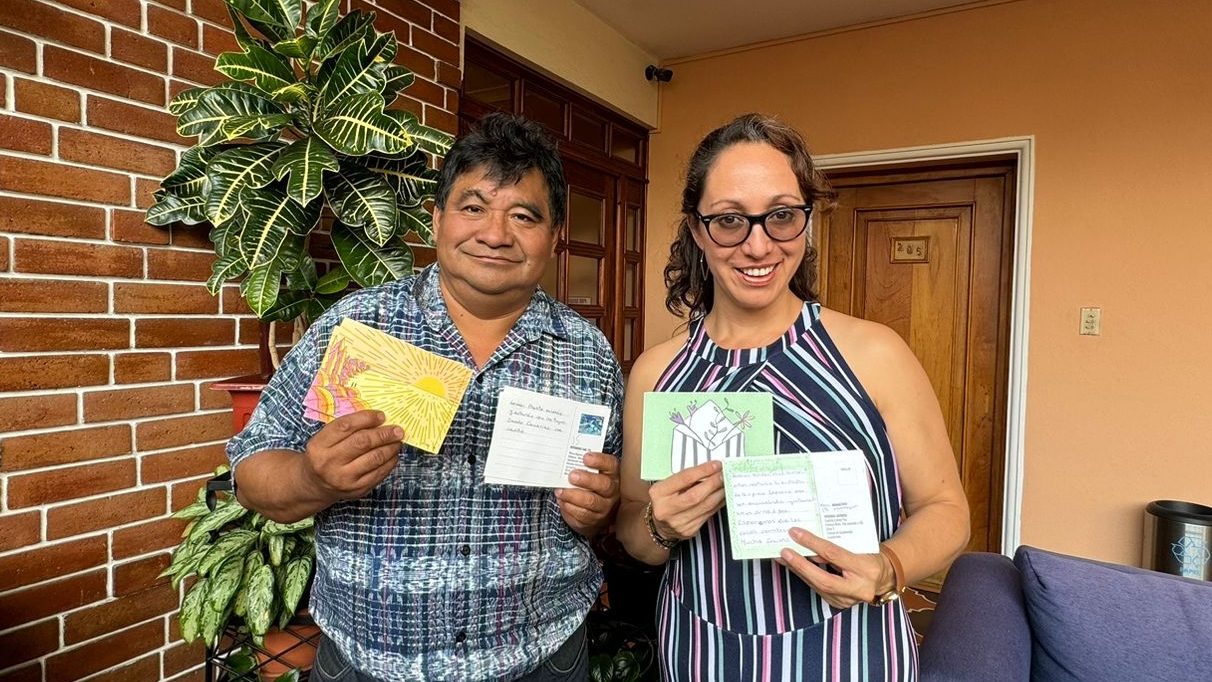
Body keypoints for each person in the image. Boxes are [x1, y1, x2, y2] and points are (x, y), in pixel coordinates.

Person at [227, 112, 624, 682]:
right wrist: (313, 480)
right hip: (369, 664)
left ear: (555, 237)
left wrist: (597, 509)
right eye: (473, 207)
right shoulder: (356, 329)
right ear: (436, 221)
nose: (495, 232)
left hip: (543, 658)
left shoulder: (587, 352)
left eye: (523, 215)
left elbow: (606, 505)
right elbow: (250, 470)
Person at [616, 113, 970, 681]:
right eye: (730, 220)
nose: (758, 246)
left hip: (850, 651)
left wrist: (889, 568)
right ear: (697, 228)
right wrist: (659, 525)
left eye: (781, 216)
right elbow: (636, 530)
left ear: (806, 223)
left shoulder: (874, 353)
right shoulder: (657, 373)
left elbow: (948, 511)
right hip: (700, 652)